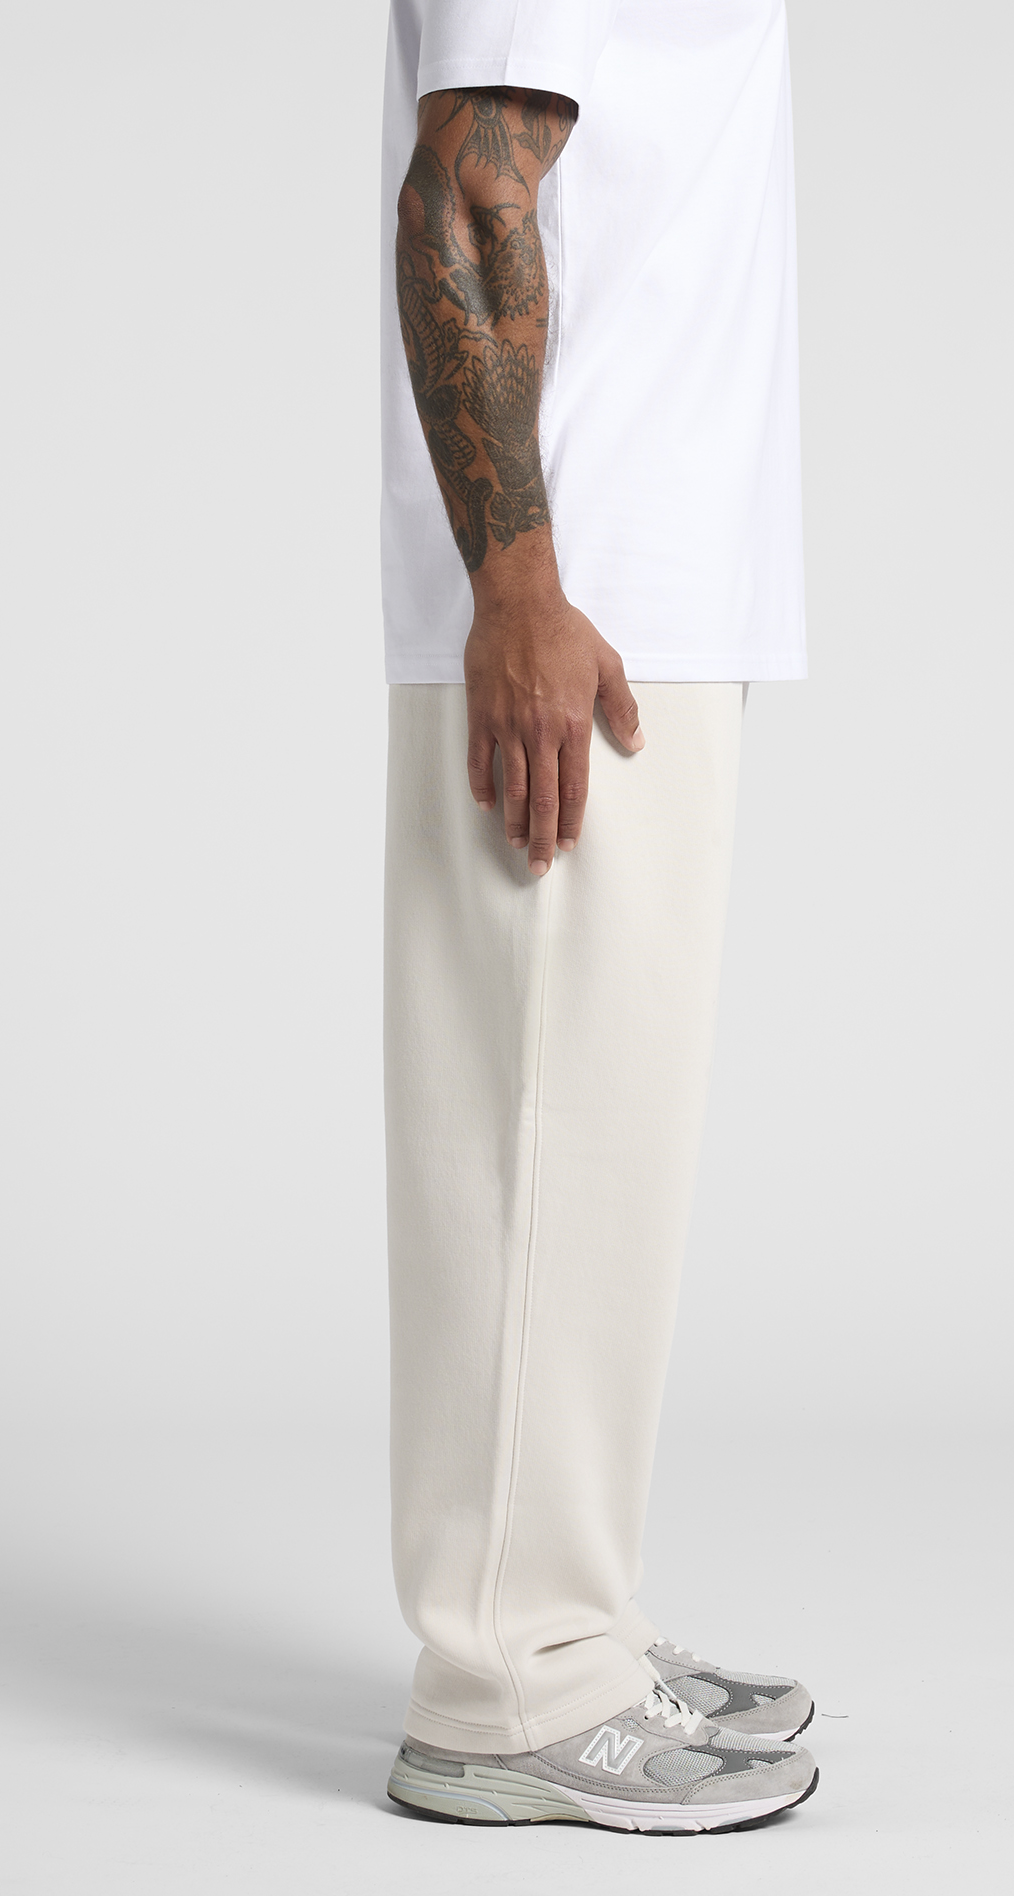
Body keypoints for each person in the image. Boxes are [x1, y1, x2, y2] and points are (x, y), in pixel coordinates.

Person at [378, 0, 815, 1833]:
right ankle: (510, 1683)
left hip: (644, 580)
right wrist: (520, 587)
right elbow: (470, 187)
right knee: (538, 1142)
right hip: (579, 607)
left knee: (598, 1151)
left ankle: (575, 1623)